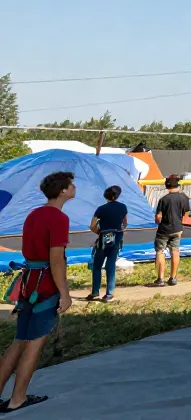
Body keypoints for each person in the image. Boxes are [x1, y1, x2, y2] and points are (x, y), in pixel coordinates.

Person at [0, 171, 75, 413]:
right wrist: (64, 293)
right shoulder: (59, 218)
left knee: (19, 340)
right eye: (71, 185)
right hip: (45, 284)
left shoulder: (34, 214)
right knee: (35, 343)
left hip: (28, 283)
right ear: (62, 190)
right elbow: (56, 259)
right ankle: (18, 398)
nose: (74, 188)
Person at [87, 185, 128, 302]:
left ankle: (95, 292)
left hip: (103, 237)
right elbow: (125, 223)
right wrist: (119, 230)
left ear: (106, 196)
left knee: (97, 265)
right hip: (117, 237)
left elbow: (92, 225)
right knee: (111, 264)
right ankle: (109, 293)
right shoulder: (123, 207)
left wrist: (99, 232)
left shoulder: (101, 209)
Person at [151, 174, 190, 287]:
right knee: (175, 251)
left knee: (160, 251)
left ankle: (160, 279)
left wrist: (157, 221)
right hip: (177, 228)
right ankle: (173, 277)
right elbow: (186, 214)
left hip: (164, 229)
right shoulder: (184, 198)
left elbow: (159, 217)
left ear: (167, 186)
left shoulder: (164, 199)